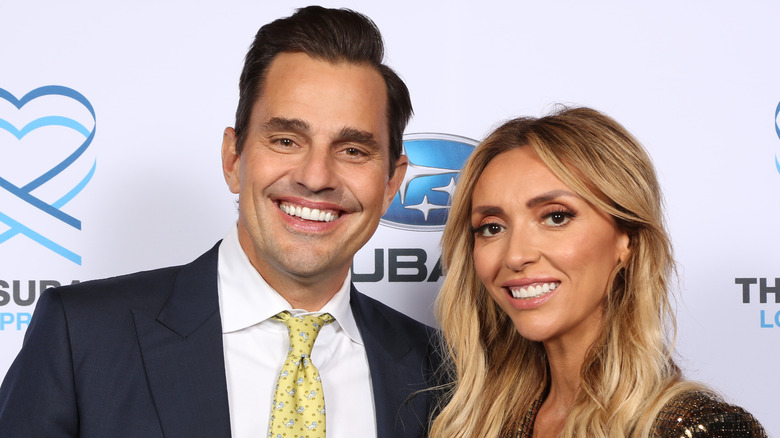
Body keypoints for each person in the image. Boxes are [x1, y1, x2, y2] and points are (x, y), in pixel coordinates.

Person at [0, 6, 441, 438]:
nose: (316, 177)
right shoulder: (82, 336)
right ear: (233, 159)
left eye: (352, 150)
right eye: (286, 140)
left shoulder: (440, 372)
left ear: (390, 184)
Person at [429, 107, 766, 437]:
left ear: (627, 239)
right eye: (492, 227)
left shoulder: (702, 428)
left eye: (556, 217)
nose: (515, 255)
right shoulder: (475, 423)